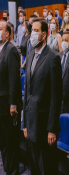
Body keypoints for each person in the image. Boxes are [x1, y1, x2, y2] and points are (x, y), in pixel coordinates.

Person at [23, 18, 63, 175]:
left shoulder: (53, 58)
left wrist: (52, 129)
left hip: (45, 127)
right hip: (31, 125)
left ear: (44, 35)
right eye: (32, 30)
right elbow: (27, 93)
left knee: (46, 169)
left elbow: (56, 96)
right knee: (34, 169)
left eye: (35, 31)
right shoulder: (31, 54)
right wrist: (24, 123)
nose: (32, 34)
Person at [0, 21, 21, 175]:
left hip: (8, 105)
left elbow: (14, 79)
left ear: (7, 34)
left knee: (10, 141)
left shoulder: (11, 50)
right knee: (3, 141)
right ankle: (7, 169)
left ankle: (12, 171)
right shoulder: (1, 49)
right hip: (1, 104)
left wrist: (13, 104)